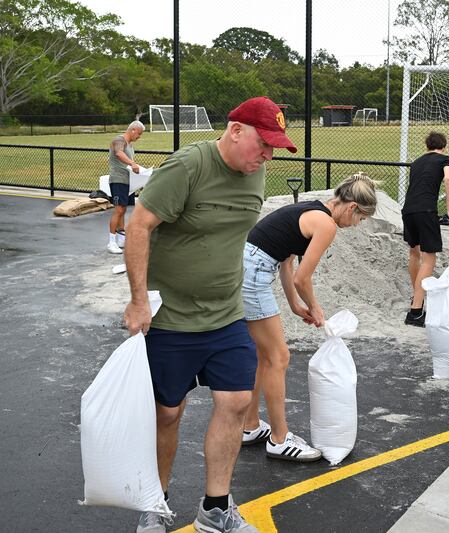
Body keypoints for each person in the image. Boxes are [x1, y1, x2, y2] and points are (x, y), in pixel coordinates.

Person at [123, 96, 297, 533]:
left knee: (238, 401)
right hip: (171, 319)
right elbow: (139, 226)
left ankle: (215, 508)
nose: (267, 157)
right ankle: (156, 503)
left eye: (274, 149)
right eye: (264, 145)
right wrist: (139, 299)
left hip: (226, 314)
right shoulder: (188, 167)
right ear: (235, 131)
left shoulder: (253, 175)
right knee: (167, 412)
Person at [240, 173, 378, 461]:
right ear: (352, 208)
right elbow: (304, 278)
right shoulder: (326, 224)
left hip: (247, 268)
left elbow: (286, 262)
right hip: (252, 276)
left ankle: (249, 426)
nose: (357, 225)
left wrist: (294, 305)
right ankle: (279, 439)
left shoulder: (313, 208)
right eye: (361, 219)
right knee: (278, 357)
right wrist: (315, 308)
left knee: (262, 355)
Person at [401, 131, 449, 327]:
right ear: (444, 146)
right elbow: (448, 180)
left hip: (408, 210)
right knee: (429, 259)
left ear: (427, 145)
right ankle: (416, 311)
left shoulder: (416, 162)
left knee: (414, 254)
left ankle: (417, 297)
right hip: (426, 211)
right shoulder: (445, 159)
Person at [106, 120, 144, 254]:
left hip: (128, 181)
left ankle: (122, 239)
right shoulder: (119, 140)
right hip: (118, 180)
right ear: (133, 130)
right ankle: (111, 242)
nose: (139, 137)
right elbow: (119, 153)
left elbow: (129, 164)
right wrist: (133, 164)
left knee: (123, 210)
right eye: (139, 134)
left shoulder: (130, 145)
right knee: (118, 210)